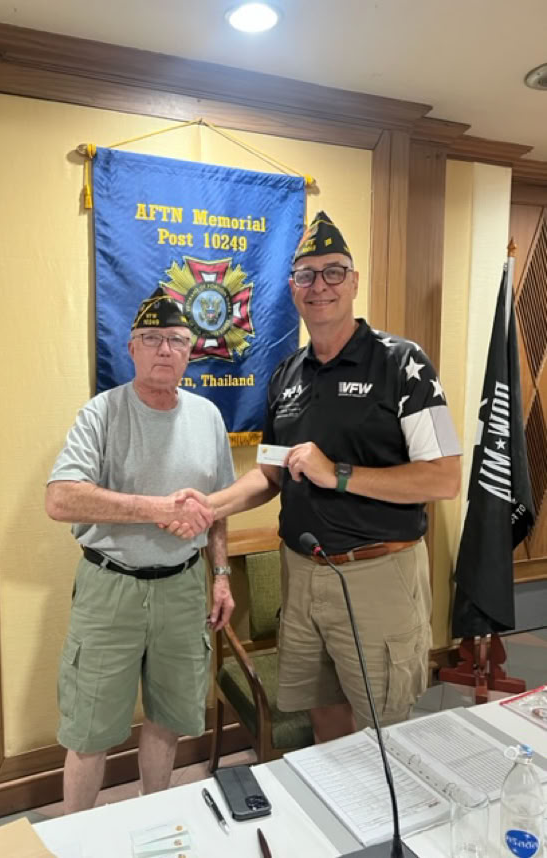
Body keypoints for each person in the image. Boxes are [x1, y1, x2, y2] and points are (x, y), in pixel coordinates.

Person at [170, 211, 462, 743]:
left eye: (333, 272)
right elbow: (272, 474)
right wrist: (210, 506)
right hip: (302, 575)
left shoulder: (405, 364)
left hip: (377, 573)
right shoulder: (285, 374)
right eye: (306, 275)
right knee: (322, 715)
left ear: (354, 282)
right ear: (292, 288)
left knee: (384, 730)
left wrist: (340, 475)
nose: (319, 285)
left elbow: (444, 479)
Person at [46, 287, 235, 812]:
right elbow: (60, 499)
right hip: (111, 588)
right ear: (131, 348)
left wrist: (221, 576)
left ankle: (156, 816)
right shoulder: (101, 414)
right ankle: (76, 835)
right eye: (151, 338)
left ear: (191, 351)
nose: (165, 349)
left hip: (183, 587)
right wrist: (156, 508)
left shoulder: (208, 417)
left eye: (176, 339)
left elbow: (219, 508)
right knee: (89, 732)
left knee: (168, 719)